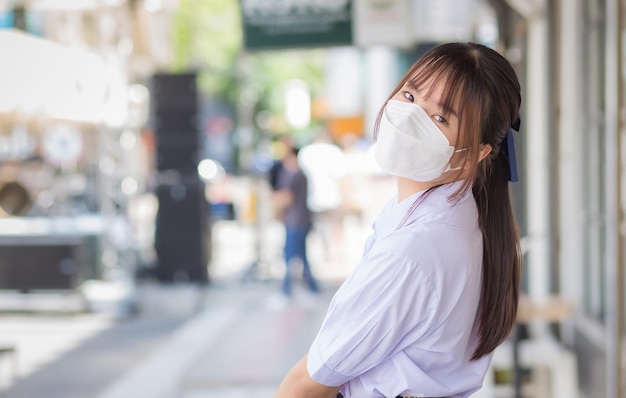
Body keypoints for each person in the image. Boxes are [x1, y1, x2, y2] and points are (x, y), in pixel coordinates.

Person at [274, 42, 522, 398]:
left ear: (477, 153)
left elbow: (306, 384)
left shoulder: (413, 251)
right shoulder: (458, 214)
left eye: (440, 118)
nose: (411, 116)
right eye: (409, 94)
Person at [272, 145, 320, 301]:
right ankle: (311, 286)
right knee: (301, 256)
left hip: (296, 221)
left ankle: (287, 290)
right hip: (298, 219)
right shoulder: (299, 174)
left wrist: (273, 200)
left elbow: (287, 197)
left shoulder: (294, 174)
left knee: (290, 256)